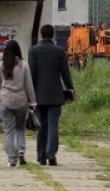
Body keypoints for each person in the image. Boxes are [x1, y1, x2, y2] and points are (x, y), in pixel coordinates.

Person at [28, 24, 76, 166]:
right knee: (53, 124)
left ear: (41, 35)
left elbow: (31, 75)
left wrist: (30, 95)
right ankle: (51, 154)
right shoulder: (60, 51)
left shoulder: (33, 51)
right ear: (53, 35)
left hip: (39, 95)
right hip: (56, 94)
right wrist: (70, 88)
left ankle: (41, 156)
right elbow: (65, 73)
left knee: (41, 125)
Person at [0, 39, 37, 167]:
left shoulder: (2, 65)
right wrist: (33, 101)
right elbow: (29, 85)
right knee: (20, 128)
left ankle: (12, 160)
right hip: (21, 101)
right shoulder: (24, 65)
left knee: (8, 131)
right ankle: (21, 152)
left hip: (5, 100)